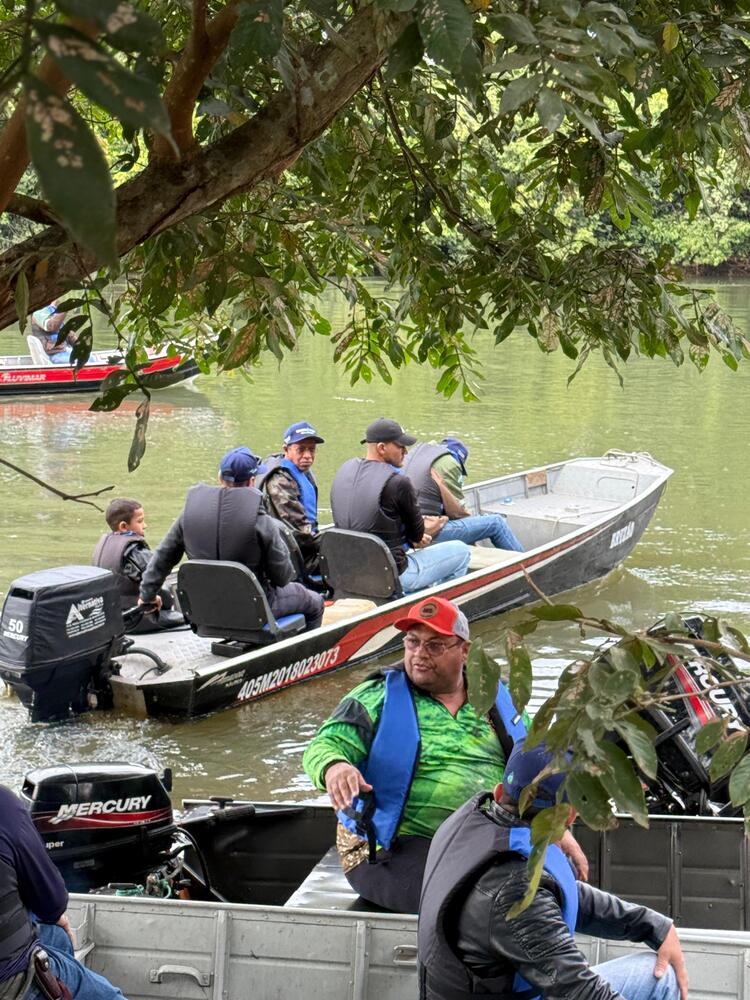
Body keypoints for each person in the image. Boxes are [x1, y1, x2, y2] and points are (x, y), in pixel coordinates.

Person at [303, 596, 586, 912]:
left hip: (486, 841)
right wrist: (335, 767)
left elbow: (537, 768)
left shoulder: (495, 697)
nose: (420, 654)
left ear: (464, 651)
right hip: (391, 851)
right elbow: (324, 746)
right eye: (412, 642)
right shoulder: (375, 696)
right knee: (485, 900)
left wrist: (557, 832)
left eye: (435, 646)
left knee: (559, 886)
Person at [418, 739, 688, 1000]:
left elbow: (568, 895)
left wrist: (654, 926)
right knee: (662, 978)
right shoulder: (516, 891)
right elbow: (580, 992)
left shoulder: (477, 825)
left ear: (500, 792)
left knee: (657, 973)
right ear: (569, 816)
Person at [139, 446, 324, 630]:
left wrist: (147, 596)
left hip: (203, 608)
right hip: (254, 609)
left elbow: (162, 558)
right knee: (315, 601)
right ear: (252, 481)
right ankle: (304, 657)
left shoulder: (188, 515)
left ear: (220, 478)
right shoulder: (262, 521)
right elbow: (283, 577)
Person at [0, 783, 127, 1000]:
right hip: (8, 979)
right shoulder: (3, 806)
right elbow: (53, 903)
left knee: (56, 936)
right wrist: (51, 914)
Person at [330, 418, 471, 594]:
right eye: (400, 446)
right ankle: (432, 610)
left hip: (350, 572)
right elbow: (418, 534)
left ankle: (416, 596)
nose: (405, 451)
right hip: (392, 574)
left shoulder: (344, 471)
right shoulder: (398, 482)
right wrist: (416, 537)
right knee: (462, 551)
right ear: (381, 448)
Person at [403, 436, 524, 552]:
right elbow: (458, 512)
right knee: (496, 523)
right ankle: (526, 564)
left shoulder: (421, 454)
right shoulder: (449, 462)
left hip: (403, 528)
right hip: (424, 531)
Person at [92, 498, 185, 634]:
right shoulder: (135, 551)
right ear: (123, 526)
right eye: (140, 521)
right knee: (188, 618)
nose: (145, 525)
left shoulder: (104, 544)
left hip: (110, 618)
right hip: (134, 618)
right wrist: (158, 599)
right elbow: (155, 580)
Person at [259, 420, 325, 578]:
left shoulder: (303, 472)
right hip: (293, 556)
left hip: (307, 546)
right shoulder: (279, 481)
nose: (308, 456)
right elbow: (298, 533)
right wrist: (330, 541)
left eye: (312, 450)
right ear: (286, 449)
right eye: (301, 449)